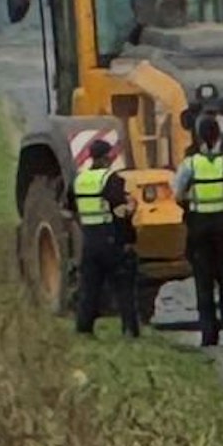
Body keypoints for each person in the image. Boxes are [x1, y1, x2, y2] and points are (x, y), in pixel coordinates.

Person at [173, 117, 223, 346]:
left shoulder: (190, 165)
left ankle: (209, 333)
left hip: (199, 228)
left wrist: (191, 206)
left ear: (198, 136)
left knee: (203, 281)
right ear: (219, 136)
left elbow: (178, 195)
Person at [71, 138, 140, 338]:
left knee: (89, 287)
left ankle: (84, 328)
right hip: (111, 238)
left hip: (89, 239)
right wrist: (130, 214)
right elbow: (119, 211)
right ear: (107, 157)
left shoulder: (79, 180)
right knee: (124, 286)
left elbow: (71, 208)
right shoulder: (112, 179)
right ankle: (129, 329)